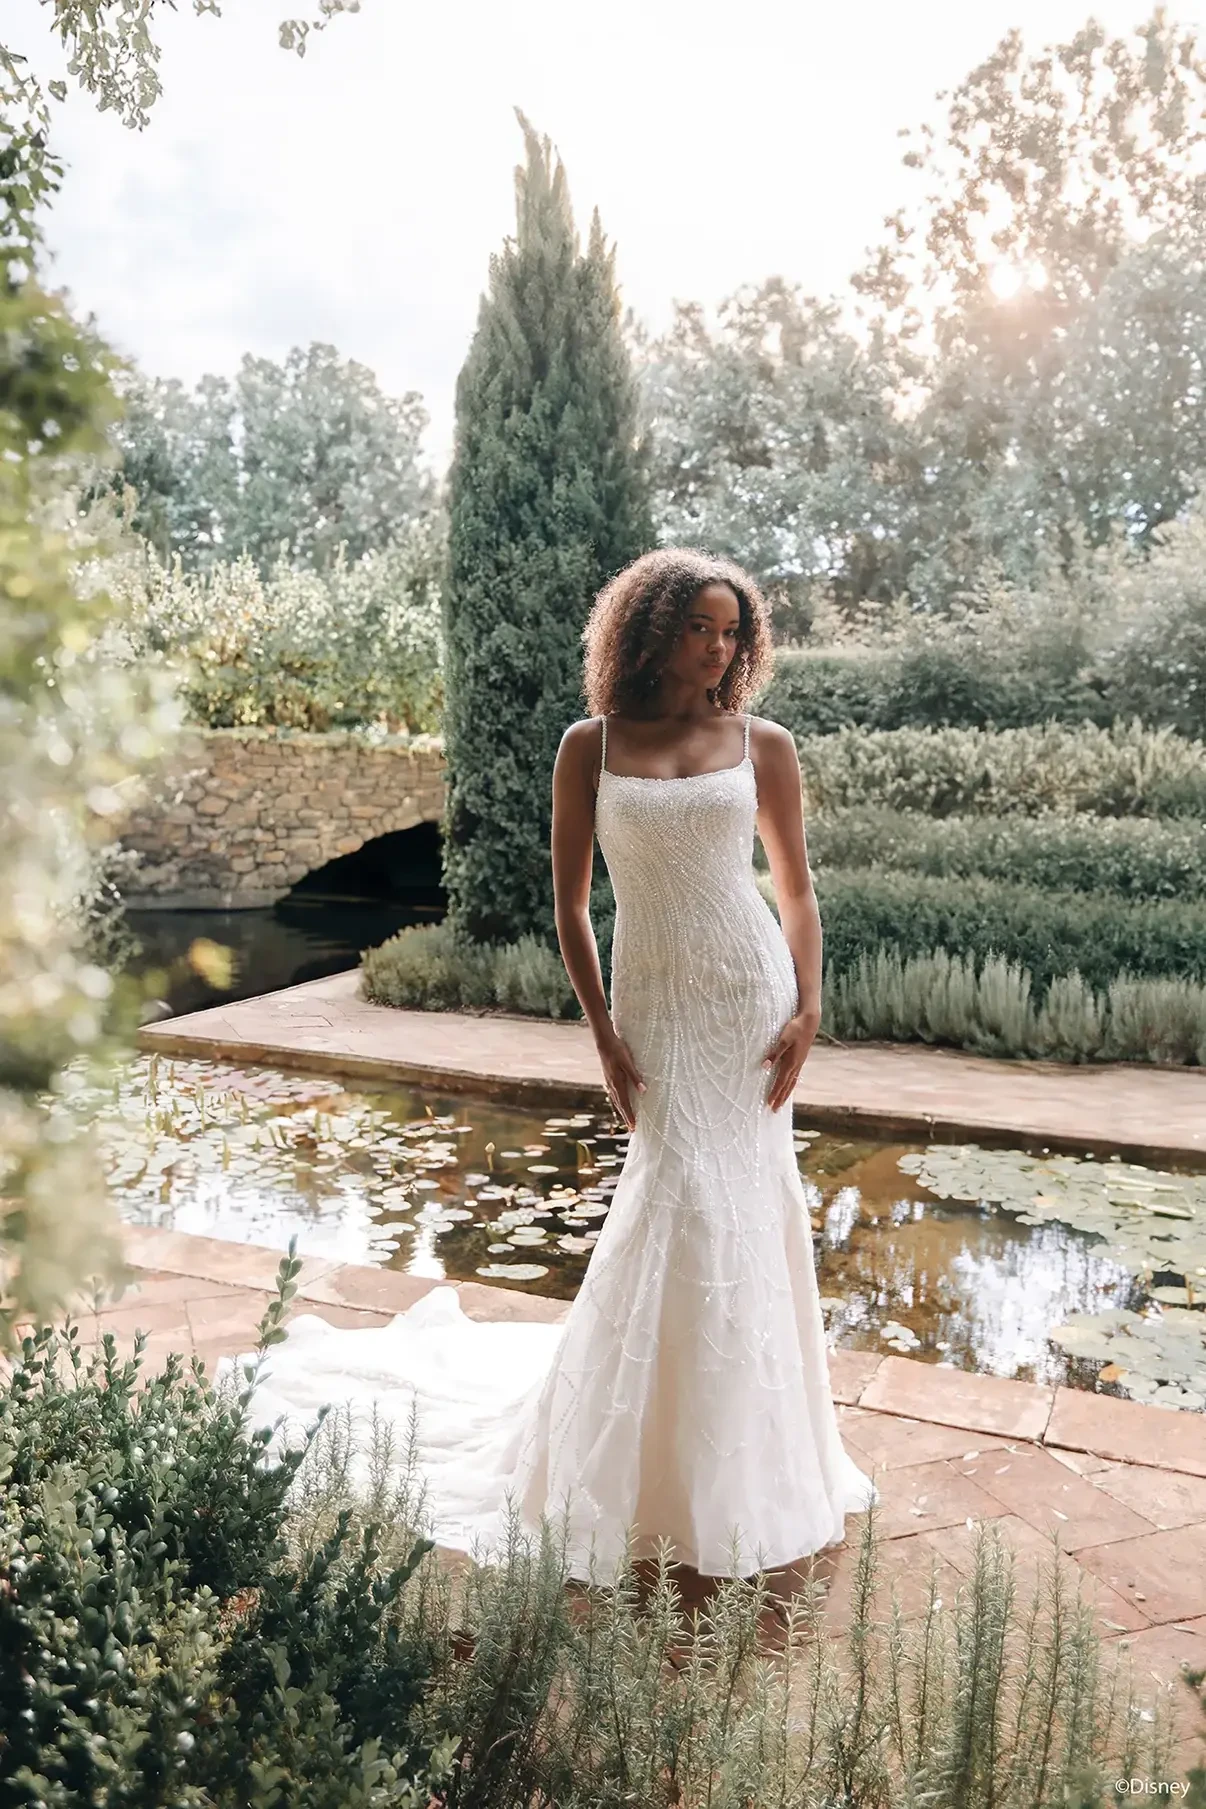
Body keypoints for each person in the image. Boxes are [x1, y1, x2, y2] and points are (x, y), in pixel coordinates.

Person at [220, 547, 878, 1586]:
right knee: (681, 1195)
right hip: (657, 1003)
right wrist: (603, 1029)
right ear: (652, 630)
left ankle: (743, 1462)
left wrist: (811, 1005)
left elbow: (796, 892)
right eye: (700, 626)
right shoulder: (590, 745)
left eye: (732, 631)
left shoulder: (764, 744)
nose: (719, 647)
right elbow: (571, 903)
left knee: (744, 1203)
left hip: (748, 996)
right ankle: (641, 1460)